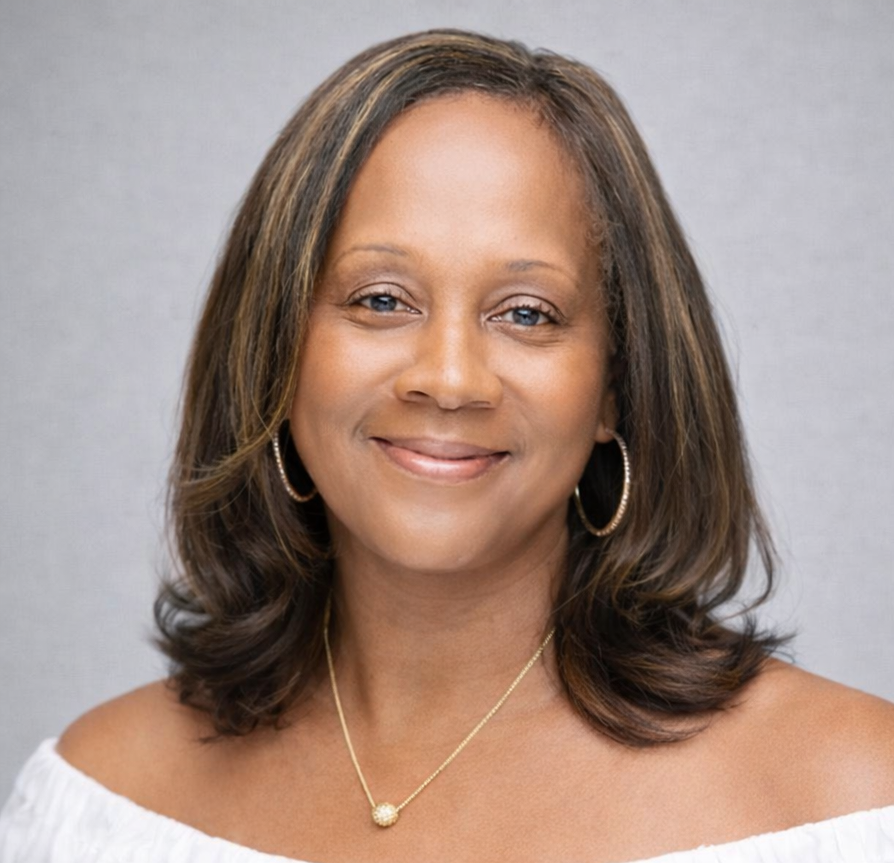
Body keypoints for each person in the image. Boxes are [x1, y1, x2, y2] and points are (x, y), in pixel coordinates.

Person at [2, 28, 893, 863]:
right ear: (275, 351)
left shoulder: (846, 798)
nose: (450, 377)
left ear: (615, 387)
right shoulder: (98, 798)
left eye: (526, 313)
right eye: (382, 299)